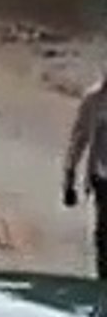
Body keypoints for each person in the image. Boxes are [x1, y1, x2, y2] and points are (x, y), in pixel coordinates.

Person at [62, 72, 107, 279]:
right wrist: (69, 178)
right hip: (102, 177)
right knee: (103, 235)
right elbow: (78, 139)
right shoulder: (93, 100)